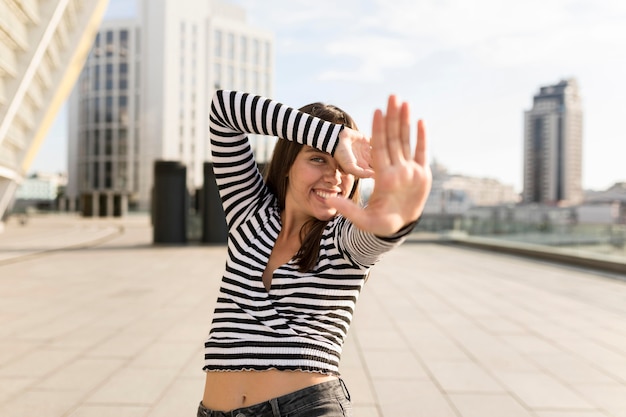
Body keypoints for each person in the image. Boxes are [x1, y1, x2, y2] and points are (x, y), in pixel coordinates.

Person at [199, 90, 432, 417]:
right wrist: (335, 137)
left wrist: (395, 222)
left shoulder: (341, 239)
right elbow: (223, 111)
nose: (334, 176)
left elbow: (374, 236)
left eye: (344, 166)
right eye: (318, 157)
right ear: (287, 165)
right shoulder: (249, 215)